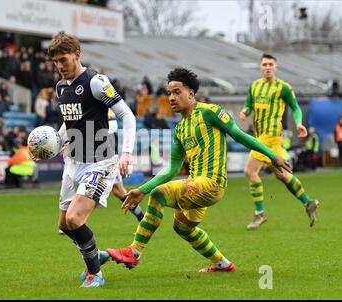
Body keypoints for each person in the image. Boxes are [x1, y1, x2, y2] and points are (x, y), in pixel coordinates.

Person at [106, 68, 292, 273]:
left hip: (212, 183)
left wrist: (273, 155)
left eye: (177, 92)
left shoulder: (210, 112)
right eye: (169, 93)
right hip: (197, 186)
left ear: (191, 94)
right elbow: (172, 168)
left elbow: (240, 136)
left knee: (159, 194)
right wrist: (142, 189)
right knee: (182, 227)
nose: (171, 98)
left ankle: (134, 252)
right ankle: (223, 264)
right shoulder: (179, 129)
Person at [46, 31, 136, 288]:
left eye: (63, 60)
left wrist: (126, 153)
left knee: (75, 219)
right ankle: (96, 256)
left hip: (100, 160)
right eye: (55, 62)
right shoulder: (61, 87)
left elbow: (127, 116)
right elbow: (70, 121)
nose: (60, 66)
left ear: (77, 55)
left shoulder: (96, 82)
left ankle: (95, 273)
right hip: (73, 161)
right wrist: (55, 142)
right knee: (64, 226)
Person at [239, 53, 319, 230]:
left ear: (276, 67)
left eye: (271, 64)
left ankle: (259, 213)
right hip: (261, 136)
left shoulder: (283, 87)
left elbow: (296, 107)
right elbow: (248, 104)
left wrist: (298, 123)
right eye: (265, 64)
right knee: (281, 175)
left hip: (271, 136)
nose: (268, 67)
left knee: (249, 171)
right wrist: (245, 112)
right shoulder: (255, 86)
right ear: (260, 67)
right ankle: (308, 202)